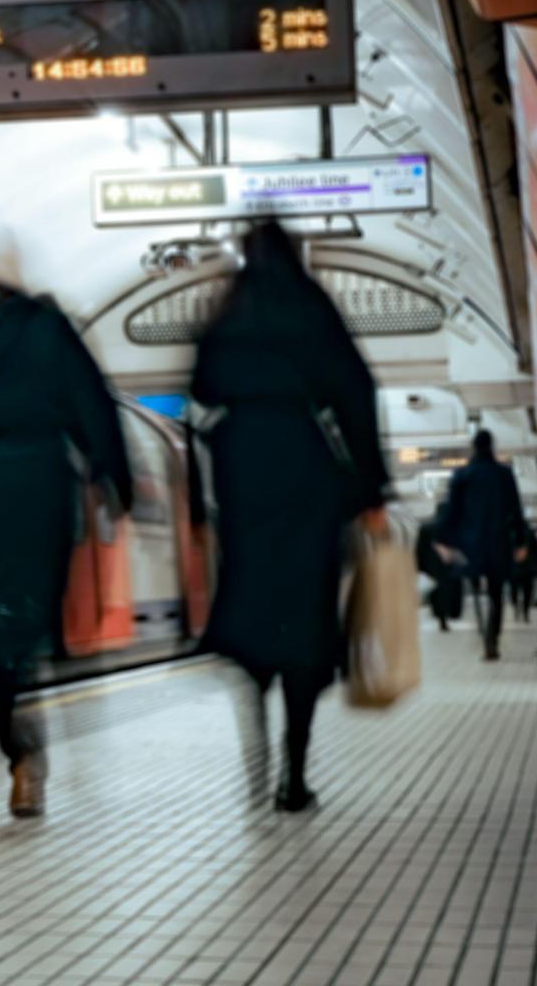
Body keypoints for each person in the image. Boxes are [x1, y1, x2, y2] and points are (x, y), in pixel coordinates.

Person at [191, 221, 389, 813]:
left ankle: (255, 731)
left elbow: (198, 392)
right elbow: (357, 389)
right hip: (308, 473)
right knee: (304, 620)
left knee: (252, 607)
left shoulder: (226, 314)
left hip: (241, 474)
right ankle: (293, 774)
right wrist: (373, 488)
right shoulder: (311, 306)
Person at [0, 225, 133, 819]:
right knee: (33, 620)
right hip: (40, 488)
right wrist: (114, 481)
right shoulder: (51, 330)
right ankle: (32, 744)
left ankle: (18, 749)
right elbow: (92, 407)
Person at [435, 429, 528, 660]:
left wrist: (443, 540)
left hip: (471, 543)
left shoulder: (462, 475)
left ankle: (481, 627)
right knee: (496, 592)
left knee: (475, 588)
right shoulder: (504, 474)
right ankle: (491, 638)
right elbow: (516, 510)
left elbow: (451, 511)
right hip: (499, 541)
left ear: (473, 447)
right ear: (491, 446)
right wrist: (521, 541)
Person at [416, 508, 464, 632]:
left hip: (432, 567)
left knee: (437, 593)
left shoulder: (426, 528)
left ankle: (441, 618)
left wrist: (420, 567)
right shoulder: (454, 526)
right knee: (452, 591)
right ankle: (452, 614)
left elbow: (419, 549)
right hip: (451, 565)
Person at [512, 526, 537, 623]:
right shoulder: (527, 533)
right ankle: (521, 611)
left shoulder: (526, 533)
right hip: (520, 568)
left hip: (524, 568)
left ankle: (523, 611)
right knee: (522, 592)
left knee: (523, 592)